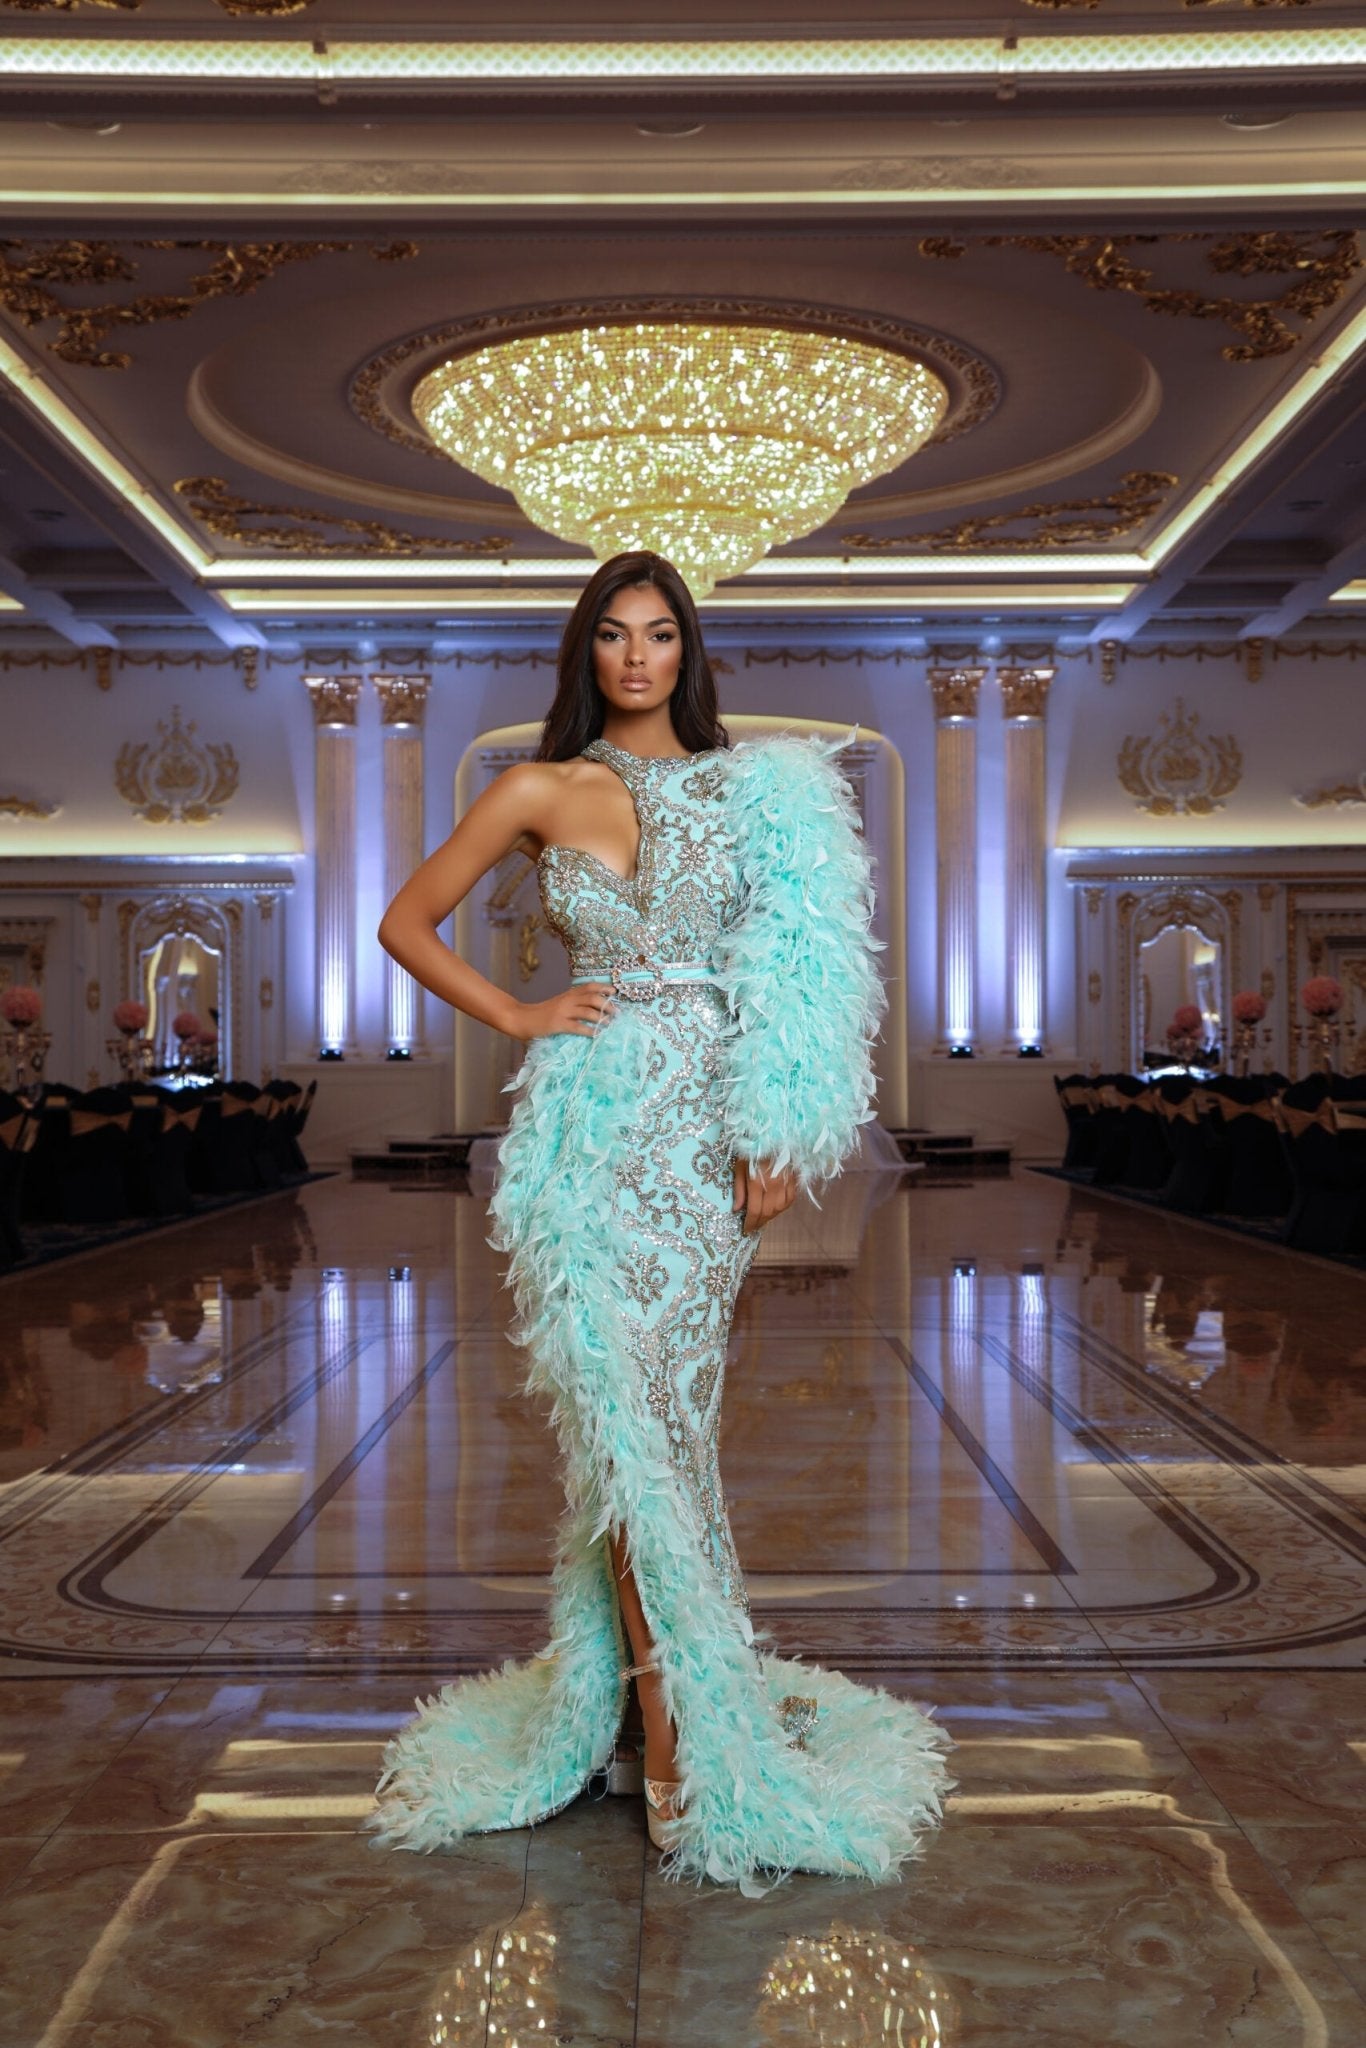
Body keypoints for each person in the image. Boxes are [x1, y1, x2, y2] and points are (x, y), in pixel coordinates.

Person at [370, 550, 950, 1891]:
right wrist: (520, 1013)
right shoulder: (535, 788)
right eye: (616, 635)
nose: (638, 657)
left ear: (687, 653)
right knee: (621, 1416)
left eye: (661, 635)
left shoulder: (753, 792)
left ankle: (656, 1704)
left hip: (703, 1129)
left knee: (674, 1419)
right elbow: (406, 921)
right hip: (587, 1128)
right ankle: (673, 1726)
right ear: (587, 651)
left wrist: (781, 1121)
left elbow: (796, 968)